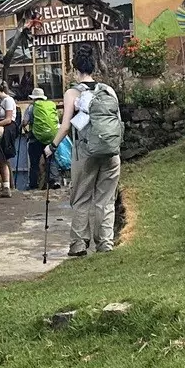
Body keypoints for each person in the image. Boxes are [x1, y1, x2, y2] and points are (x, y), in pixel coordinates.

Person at [56, 52, 124, 255]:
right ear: (94, 68)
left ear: (75, 70)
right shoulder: (108, 91)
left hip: (85, 154)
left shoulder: (72, 93)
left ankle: (78, 244)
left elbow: (66, 126)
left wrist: (52, 146)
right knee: (106, 199)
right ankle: (105, 243)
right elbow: (118, 121)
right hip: (111, 153)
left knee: (81, 198)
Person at [25, 79, 61, 191]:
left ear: (33, 98)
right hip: (51, 137)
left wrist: (25, 128)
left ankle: (33, 184)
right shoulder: (51, 105)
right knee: (51, 159)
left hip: (35, 138)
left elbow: (25, 122)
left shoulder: (31, 107)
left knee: (34, 162)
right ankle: (54, 181)